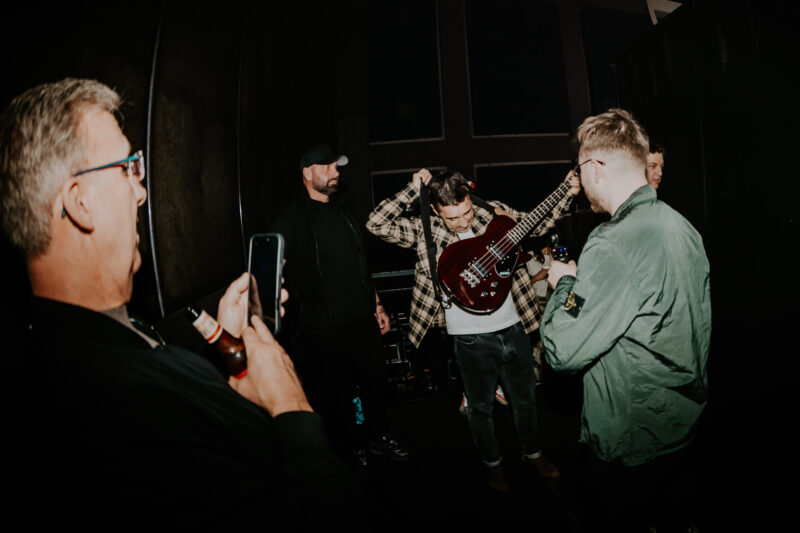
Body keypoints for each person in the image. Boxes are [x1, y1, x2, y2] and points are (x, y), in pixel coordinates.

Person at [0, 78, 367, 529]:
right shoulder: (112, 414)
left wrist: (228, 345)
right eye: (128, 168)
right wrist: (292, 410)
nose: (141, 191)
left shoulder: (109, 338)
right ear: (80, 202)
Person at [540, 109, 710, 531]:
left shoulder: (611, 242)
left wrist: (565, 284)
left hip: (633, 439)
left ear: (596, 167)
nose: (580, 181)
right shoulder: (681, 225)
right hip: (682, 424)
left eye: (580, 169)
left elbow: (562, 349)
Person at [366, 167, 580, 492]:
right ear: (436, 209)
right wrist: (413, 189)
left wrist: (567, 190)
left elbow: (538, 222)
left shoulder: (491, 214)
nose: (463, 222)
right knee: (480, 409)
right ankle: (493, 464)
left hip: (513, 327)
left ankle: (533, 453)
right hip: (469, 339)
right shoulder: (425, 229)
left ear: (469, 197)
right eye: (453, 218)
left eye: (466, 212)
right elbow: (376, 224)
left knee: (525, 401)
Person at [269, 144, 410, 479]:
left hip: (363, 319)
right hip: (325, 327)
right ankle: (351, 448)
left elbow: (361, 264)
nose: (336, 172)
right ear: (307, 173)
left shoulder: (344, 211)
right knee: (338, 393)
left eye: (337, 166)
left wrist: (377, 304)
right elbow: (273, 267)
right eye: (328, 167)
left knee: (376, 383)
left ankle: (379, 435)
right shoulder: (291, 219)